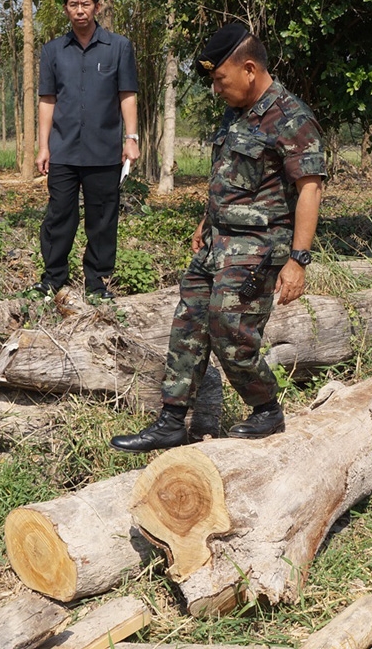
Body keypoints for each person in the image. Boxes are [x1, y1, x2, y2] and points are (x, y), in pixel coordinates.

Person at [110, 22, 326, 453]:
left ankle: (266, 408)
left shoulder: (292, 118)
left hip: (257, 247)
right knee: (187, 324)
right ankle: (172, 420)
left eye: (219, 79)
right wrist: (205, 222)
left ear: (249, 68)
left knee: (231, 329)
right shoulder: (235, 112)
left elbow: (310, 188)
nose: (215, 88)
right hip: (216, 242)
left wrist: (298, 260)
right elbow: (227, 176)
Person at [34, 0, 139, 300]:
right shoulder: (53, 51)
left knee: (103, 218)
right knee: (60, 215)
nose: (80, 11)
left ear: (97, 6)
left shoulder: (119, 47)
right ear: (66, 9)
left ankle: (97, 282)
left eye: (86, 4)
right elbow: (47, 100)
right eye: (73, 5)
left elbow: (127, 95)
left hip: (105, 150)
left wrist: (131, 137)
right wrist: (43, 145)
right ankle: (53, 278)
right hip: (63, 149)